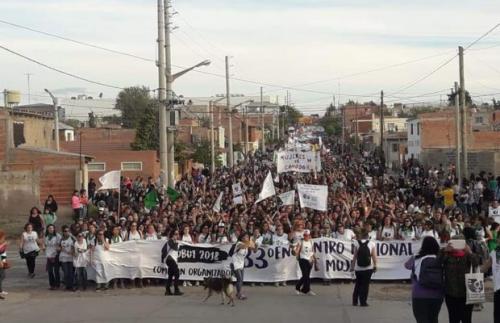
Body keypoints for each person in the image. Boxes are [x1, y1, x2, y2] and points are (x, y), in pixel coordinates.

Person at [404, 236, 444, 323]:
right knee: (434, 318)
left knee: (421, 319)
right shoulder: (440, 259)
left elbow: (407, 265)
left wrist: (417, 253)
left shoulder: (417, 258)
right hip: (437, 294)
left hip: (419, 294)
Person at [440, 235, 479, 323]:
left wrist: (469, 252)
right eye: (454, 242)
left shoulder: (467, 255)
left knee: (467, 319)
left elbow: (476, 263)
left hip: (467, 293)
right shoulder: (447, 255)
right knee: (453, 319)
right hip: (451, 294)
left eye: (459, 242)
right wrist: (444, 250)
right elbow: (437, 263)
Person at [351, 228, 377, 307]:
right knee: (365, 285)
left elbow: (355, 256)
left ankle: (354, 301)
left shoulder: (356, 243)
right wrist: (375, 265)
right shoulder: (372, 243)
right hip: (368, 267)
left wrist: (352, 266)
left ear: (361, 235)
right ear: (368, 236)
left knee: (358, 284)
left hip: (358, 268)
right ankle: (363, 302)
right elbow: (374, 256)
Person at [231, 232, 255, 300]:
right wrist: (251, 240)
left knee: (241, 280)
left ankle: (238, 293)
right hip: (235, 262)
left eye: (247, 237)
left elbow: (254, 249)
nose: (246, 238)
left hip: (241, 263)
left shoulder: (247, 244)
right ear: (241, 238)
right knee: (239, 279)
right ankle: (239, 294)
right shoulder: (239, 243)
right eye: (245, 237)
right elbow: (244, 246)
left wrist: (255, 241)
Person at [294, 229, 316, 296]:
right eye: (305, 235)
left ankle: (304, 289)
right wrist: (295, 252)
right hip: (302, 259)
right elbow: (297, 250)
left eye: (307, 235)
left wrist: (313, 258)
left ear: (309, 236)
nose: (306, 236)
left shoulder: (311, 242)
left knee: (306, 276)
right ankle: (304, 289)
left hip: (310, 260)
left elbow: (312, 251)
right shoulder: (301, 242)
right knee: (306, 275)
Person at [163, 229, 183, 296]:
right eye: (175, 234)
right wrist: (175, 241)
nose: (177, 235)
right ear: (172, 235)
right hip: (170, 259)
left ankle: (167, 290)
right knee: (177, 273)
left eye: (178, 234)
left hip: (172, 259)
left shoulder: (175, 241)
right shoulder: (170, 241)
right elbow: (174, 247)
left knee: (171, 275)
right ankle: (176, 290)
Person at [44, 224, 61, 290]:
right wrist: (43, 248)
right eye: (49, 228)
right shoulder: (46, 236)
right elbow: (45, 245)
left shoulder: (57, 236)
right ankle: (52, 284)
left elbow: (60, 244)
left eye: (52, 228)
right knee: (50, 271)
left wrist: (57, 251)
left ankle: (57, 284)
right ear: (47, 229)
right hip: (48, 255)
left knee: (56, 270)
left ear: (54, 229)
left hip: (55, 254)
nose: (51, 229)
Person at [59, 225, 75, 291]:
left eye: (68, 231)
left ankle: (71, 286)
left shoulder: (72, 238)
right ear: (63, 232)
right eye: (65, 231)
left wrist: (72, 251)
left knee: (71, 272)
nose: (67, 232)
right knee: (66, 272)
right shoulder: (61, 239)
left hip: (70, 257)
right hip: (63, 257)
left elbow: (76, 244)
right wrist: (60, 248)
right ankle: (67, 286)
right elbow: (58, 246)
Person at [0, 230, 8, 300]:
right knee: (2, 276)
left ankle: (0, 290)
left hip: (2, 261)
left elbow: (3, 253)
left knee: (2, 276)